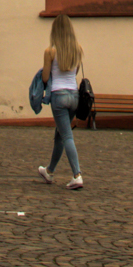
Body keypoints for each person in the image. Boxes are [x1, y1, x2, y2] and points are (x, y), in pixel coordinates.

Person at [36, 12, 86, 191]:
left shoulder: (50, 51)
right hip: (74, 96)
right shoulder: (77, 49)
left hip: (58, 95)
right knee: (60, 134)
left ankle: (77, 175)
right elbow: (75, 71)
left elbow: (45, 76)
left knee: (66, 136)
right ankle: (49, 171)